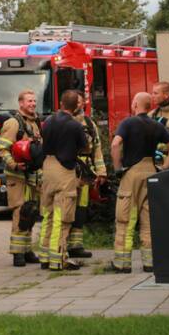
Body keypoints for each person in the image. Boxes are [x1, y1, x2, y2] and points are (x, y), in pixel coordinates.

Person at [110, 92, 169, 273]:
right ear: (150, 107)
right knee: (148, 220)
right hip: (151, 172)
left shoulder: (128, 123)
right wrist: (163, 168)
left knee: (125, 218)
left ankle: (122, 263)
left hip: (131, 173)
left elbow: (116, 144)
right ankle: (149, 263)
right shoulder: (156, 125)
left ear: (134, 104)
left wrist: (118, 169)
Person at [39, 90, 88, 271]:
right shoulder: (75, 125)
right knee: (62, 216)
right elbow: (84, 147)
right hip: (64, 171)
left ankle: (44, 257)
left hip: (47, 168)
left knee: (48, 215)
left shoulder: (48, 121)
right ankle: (58, 258)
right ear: (76, 106)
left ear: (60, 103)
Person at [0, 89, 42, 267]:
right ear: (21, 103)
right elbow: (2, 149)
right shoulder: (13, 123)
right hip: (17, 176)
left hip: (31, 176)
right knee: (19, 212)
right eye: (29, 101)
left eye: (34, 101)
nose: (32, 104)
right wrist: (15, 164)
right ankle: (17, 253)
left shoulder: (35, 122)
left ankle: (27, 249)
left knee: (29, 213)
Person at [68, 93, 107, 259]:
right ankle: (62, 244)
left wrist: (101, 172)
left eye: (80, 101)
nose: (78, 104)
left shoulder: (90, 123)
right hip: (68, 168)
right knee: (66, 207)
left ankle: (76, 245)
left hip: (84, 171)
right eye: (75, 102)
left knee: (81, 210)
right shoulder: (64, 121)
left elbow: (97, 149)